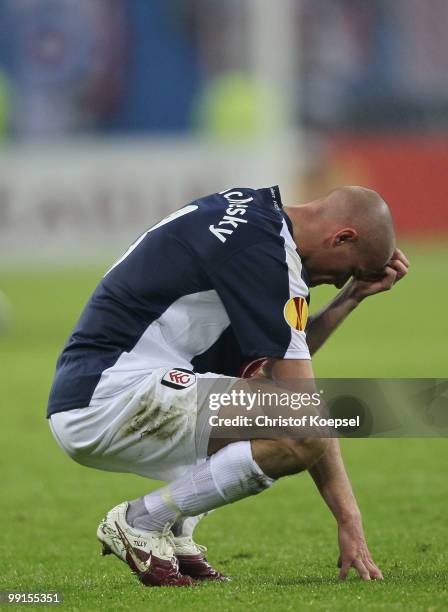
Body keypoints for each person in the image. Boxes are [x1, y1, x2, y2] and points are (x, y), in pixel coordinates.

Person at [47, 184, 409, 587]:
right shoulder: (269, 255)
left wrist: (351, 296)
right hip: (112, 394)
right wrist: (350, 520)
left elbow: (275, 371)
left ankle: (176, 532)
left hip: (101, 388)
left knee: (278, 417)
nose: (336, 280)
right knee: (301, 427)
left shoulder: (254, 215)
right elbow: (300, 403)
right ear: (342, 237)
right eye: (350, 271)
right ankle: (141, 522)